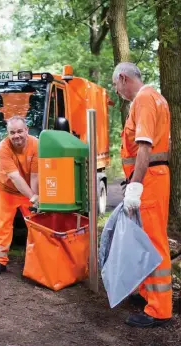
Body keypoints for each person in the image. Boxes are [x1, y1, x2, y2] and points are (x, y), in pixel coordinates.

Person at [112, 62, 172, 327]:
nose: (116, 91)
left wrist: (135, 186)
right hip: (153, 178)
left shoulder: (144, 100)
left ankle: (159, 309)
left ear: (124, 78)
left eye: (115, 85)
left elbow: (144, 147)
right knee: (146, 238)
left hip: (150, 180)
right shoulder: (156, 98)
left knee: (153, 241)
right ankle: (150, 295)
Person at [0, 115, 39, 275]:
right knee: (2, 225)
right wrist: (33, 197)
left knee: (36, 225)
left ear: (26, 130)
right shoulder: (3, 148)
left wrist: (35, 197)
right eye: (12, 132)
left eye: (19, 131)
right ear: (8, 134)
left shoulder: (37, 144)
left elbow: (35, 176)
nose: (16, 135)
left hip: (28, 190)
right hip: (7, 190)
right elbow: (15, 177)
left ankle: (39, 258)